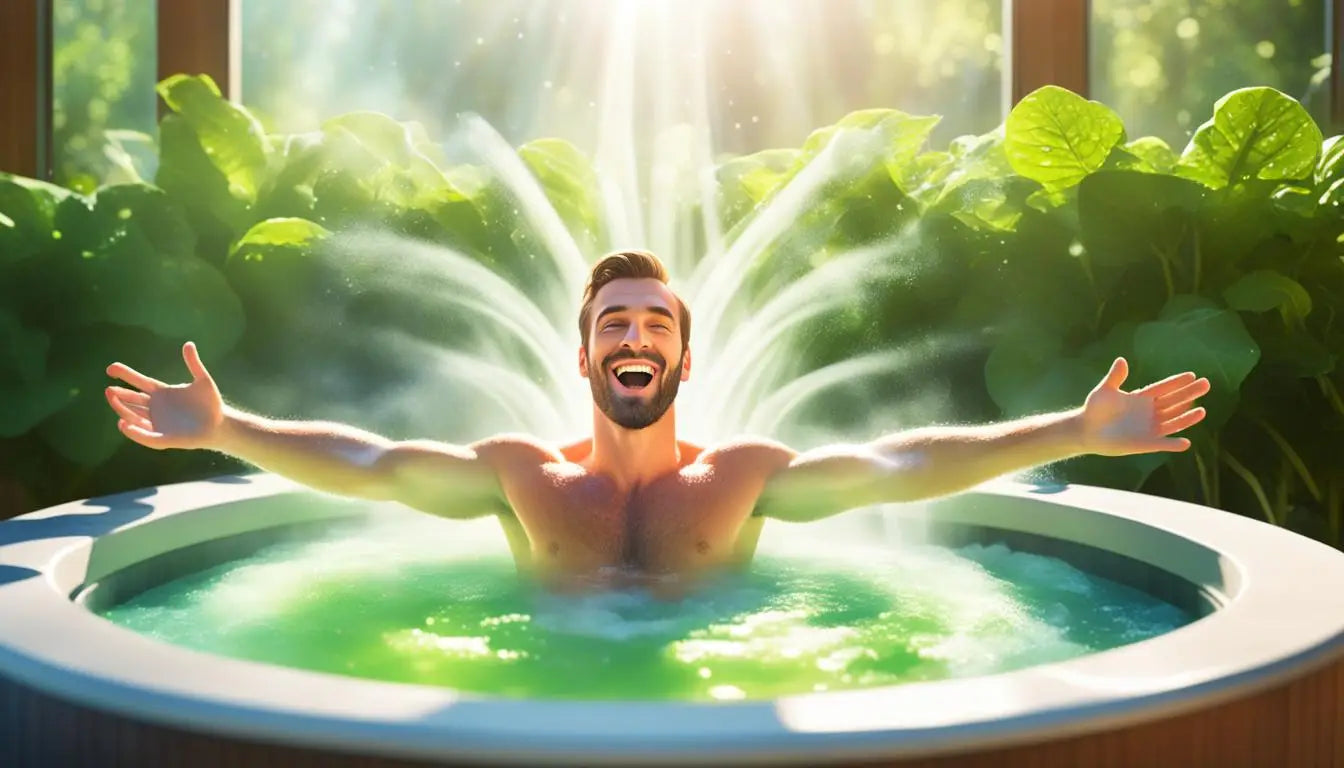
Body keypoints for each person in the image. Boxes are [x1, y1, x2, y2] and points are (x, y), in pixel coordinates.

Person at [105, 250, 1210, 594]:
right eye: (614, 324)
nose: (634, 339)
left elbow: (896, 464)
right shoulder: (520, 475)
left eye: (654, 325)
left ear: (686, 355)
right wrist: (229, 427)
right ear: (582, 354)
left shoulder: (743, 477)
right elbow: (378, 465)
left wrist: (1072, 429)